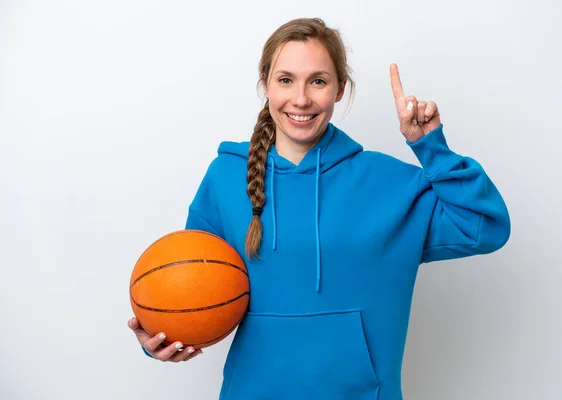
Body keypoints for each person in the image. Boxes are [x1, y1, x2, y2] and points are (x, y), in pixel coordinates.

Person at [128, 17, 510, 400]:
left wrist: (431, 147)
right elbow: (186, 289)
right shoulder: (225, 177)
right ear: (265, 83)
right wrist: (159, 338)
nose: (301, 99)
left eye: (318, 81)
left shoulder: (390, 183)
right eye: (285, 79)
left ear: (340, 88)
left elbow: (485, 228)